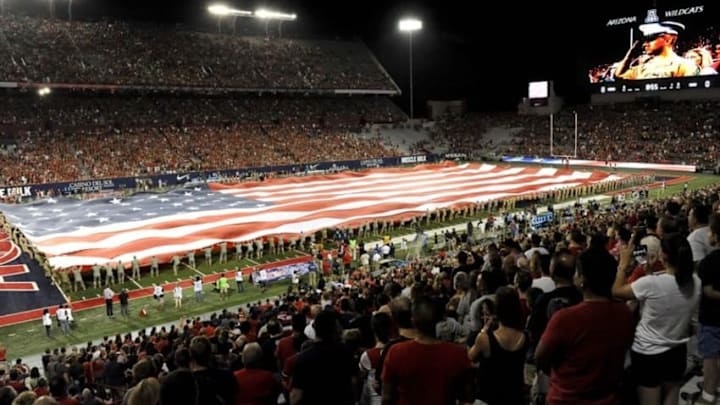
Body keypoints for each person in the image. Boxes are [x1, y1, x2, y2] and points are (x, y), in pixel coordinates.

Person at [535, 247, 634, 405]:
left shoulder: (564, 318)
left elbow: (540, 358)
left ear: (582, 280)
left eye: (577, 272)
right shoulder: (625, 313)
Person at [613, 233, 701, 405]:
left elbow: (616, 291)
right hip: (677, 349)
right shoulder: (696, 281)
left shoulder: (651, 283)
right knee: (671, 396)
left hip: (648, 353)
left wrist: (623, 264)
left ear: (664, 256)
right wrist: (649, 273)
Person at [614, 21, 699, 80]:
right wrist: (630, 54)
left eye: (650, 38)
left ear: (668, 40)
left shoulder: (684, 65)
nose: (644, 44)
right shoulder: (643, 67)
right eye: (644, 40)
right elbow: (619, 75)